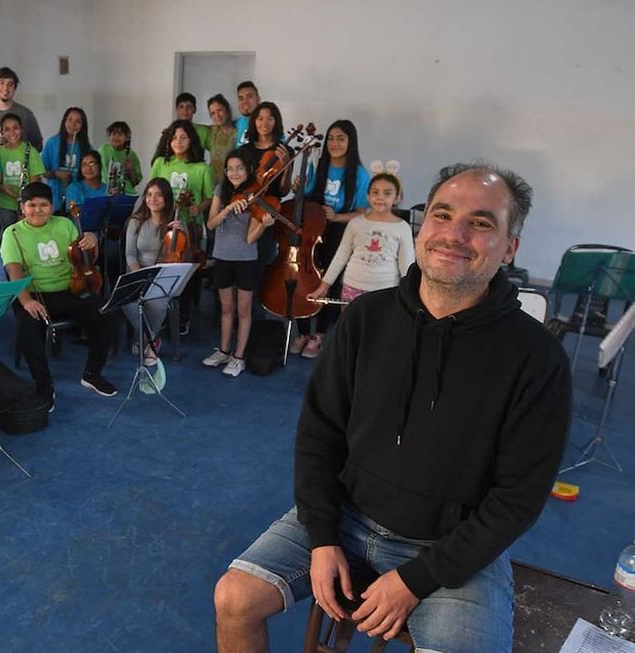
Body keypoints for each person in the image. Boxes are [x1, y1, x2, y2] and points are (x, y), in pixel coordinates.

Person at [213, 162, 572, 653]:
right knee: (234, 597)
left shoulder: (536, 358)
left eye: (482, 223)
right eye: (441, 215)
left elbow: (518, 499)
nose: (454, 234)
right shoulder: (367, 318)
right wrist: (321, 538)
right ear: (421, 227)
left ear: (510, 247)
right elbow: (319, 435)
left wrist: (418, 579)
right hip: (345, 515)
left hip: (450, 546)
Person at [1, 182, 117, 410]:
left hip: (69, 289)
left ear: (52, 206)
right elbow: (14, 271)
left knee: (105, 312)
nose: (38, 210)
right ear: (22, 207)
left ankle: (92, 373)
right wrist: (26, 302)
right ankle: (44, 386)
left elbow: (83, 259)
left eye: (43, 205)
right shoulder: (12, 233)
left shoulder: (65, 224)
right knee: (28, 328)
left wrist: (92, 241)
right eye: (31, 205)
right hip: (34, 293)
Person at [290, 119, 370, 358]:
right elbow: (305, 198)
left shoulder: (359, 173)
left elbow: (363, 212)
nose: (334, 143)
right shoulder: (318, 165)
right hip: (312, 230)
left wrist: (336, 216)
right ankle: (303, 330)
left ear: (350, 142)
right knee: (304, 276)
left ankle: (320, 334)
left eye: (341, 138)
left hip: (338, 234)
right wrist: (298, 188)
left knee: (330, 281)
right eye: (331, 138)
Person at [201, 151, 270, 377]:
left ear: (248, 169)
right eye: (230, 168)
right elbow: (211, 224)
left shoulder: (256, 194)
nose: (234, 173)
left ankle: (238, 356)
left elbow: (251, 238)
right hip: (221, 256)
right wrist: (228, 209)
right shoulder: (221, 191)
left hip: (246, 259)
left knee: (243, 310)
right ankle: (223, 350)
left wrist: (264, 223)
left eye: (239, 168)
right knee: (226, 308)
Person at [309, 172, 415, 304]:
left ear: (397, 198)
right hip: (352, 287)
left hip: (386, 291)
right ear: (368, 196)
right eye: (375, 192)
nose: (380, 197)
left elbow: (407, 265)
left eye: (387, 193)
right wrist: (324, 285)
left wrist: (410, 295)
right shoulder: (355, 223)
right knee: (350, 324)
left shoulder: (402, 227)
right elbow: (341, 256)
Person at [150, 120, 215, 334]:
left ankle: (182, 316)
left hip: (191, 228)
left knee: (185, 272)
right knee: (161, 269)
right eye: (174, 137)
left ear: (192, 141)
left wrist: (198, 208)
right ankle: (160, 313)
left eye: (183, 137)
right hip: (163, 224)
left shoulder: (202, 168)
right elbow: (152, 192)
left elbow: (209, 197)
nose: (178, 141)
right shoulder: (160, 163)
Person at [123, 178, 185, 365]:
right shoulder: (136, 221)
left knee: (157, 303)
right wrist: (139, 275)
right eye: (149, 195)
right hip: (138, 270)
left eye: (158, 195)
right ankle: (151, 339)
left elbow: (183, 254)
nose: (153, 199)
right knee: (128, 302)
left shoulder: (175, 222)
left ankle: (143, 339)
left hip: (164, 273)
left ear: (166, 198)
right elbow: (130, 253)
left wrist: (182, 233)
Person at [0, 113, 47, 251]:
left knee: (26, 238)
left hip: (27, 204)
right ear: (2, 132)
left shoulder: (31, 151)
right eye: (7, 129)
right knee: (8, 238)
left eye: (15, 128)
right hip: (5, 203)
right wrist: (3, 188)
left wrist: (24, 200)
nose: (12, 132)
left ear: (22, 129)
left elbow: (35, 181)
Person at [41, 107, 92, 212]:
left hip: (77, 199)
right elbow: (42, 172)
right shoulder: (52, 143)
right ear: (64, 121)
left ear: (83, 126)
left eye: (78, 121)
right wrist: (56, 174)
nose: (73, 124)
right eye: (69, 120)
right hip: (55, 198)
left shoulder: (87, 147)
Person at [98, 121, 142, 195]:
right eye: (114, 134)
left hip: (126, 194)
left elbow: (135, 182)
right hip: (106, 193)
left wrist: (130, 169)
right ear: (109, 136)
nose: (116, 137)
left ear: (126, 138)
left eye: (120, 134)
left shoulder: (131, 155)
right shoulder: (103, 150)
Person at [206, 94, 238, 183]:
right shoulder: (214, 130)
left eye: (220, 110)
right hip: (212, 182)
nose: (217, 115)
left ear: (227, 110)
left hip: (231, 182)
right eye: (213, 113)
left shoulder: (237, 132)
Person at [234, 81, 260, 146]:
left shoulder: (268, 124)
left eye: (249, 96)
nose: (245, 102)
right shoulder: (237, 124)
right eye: (241, 98)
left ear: (258, 99)